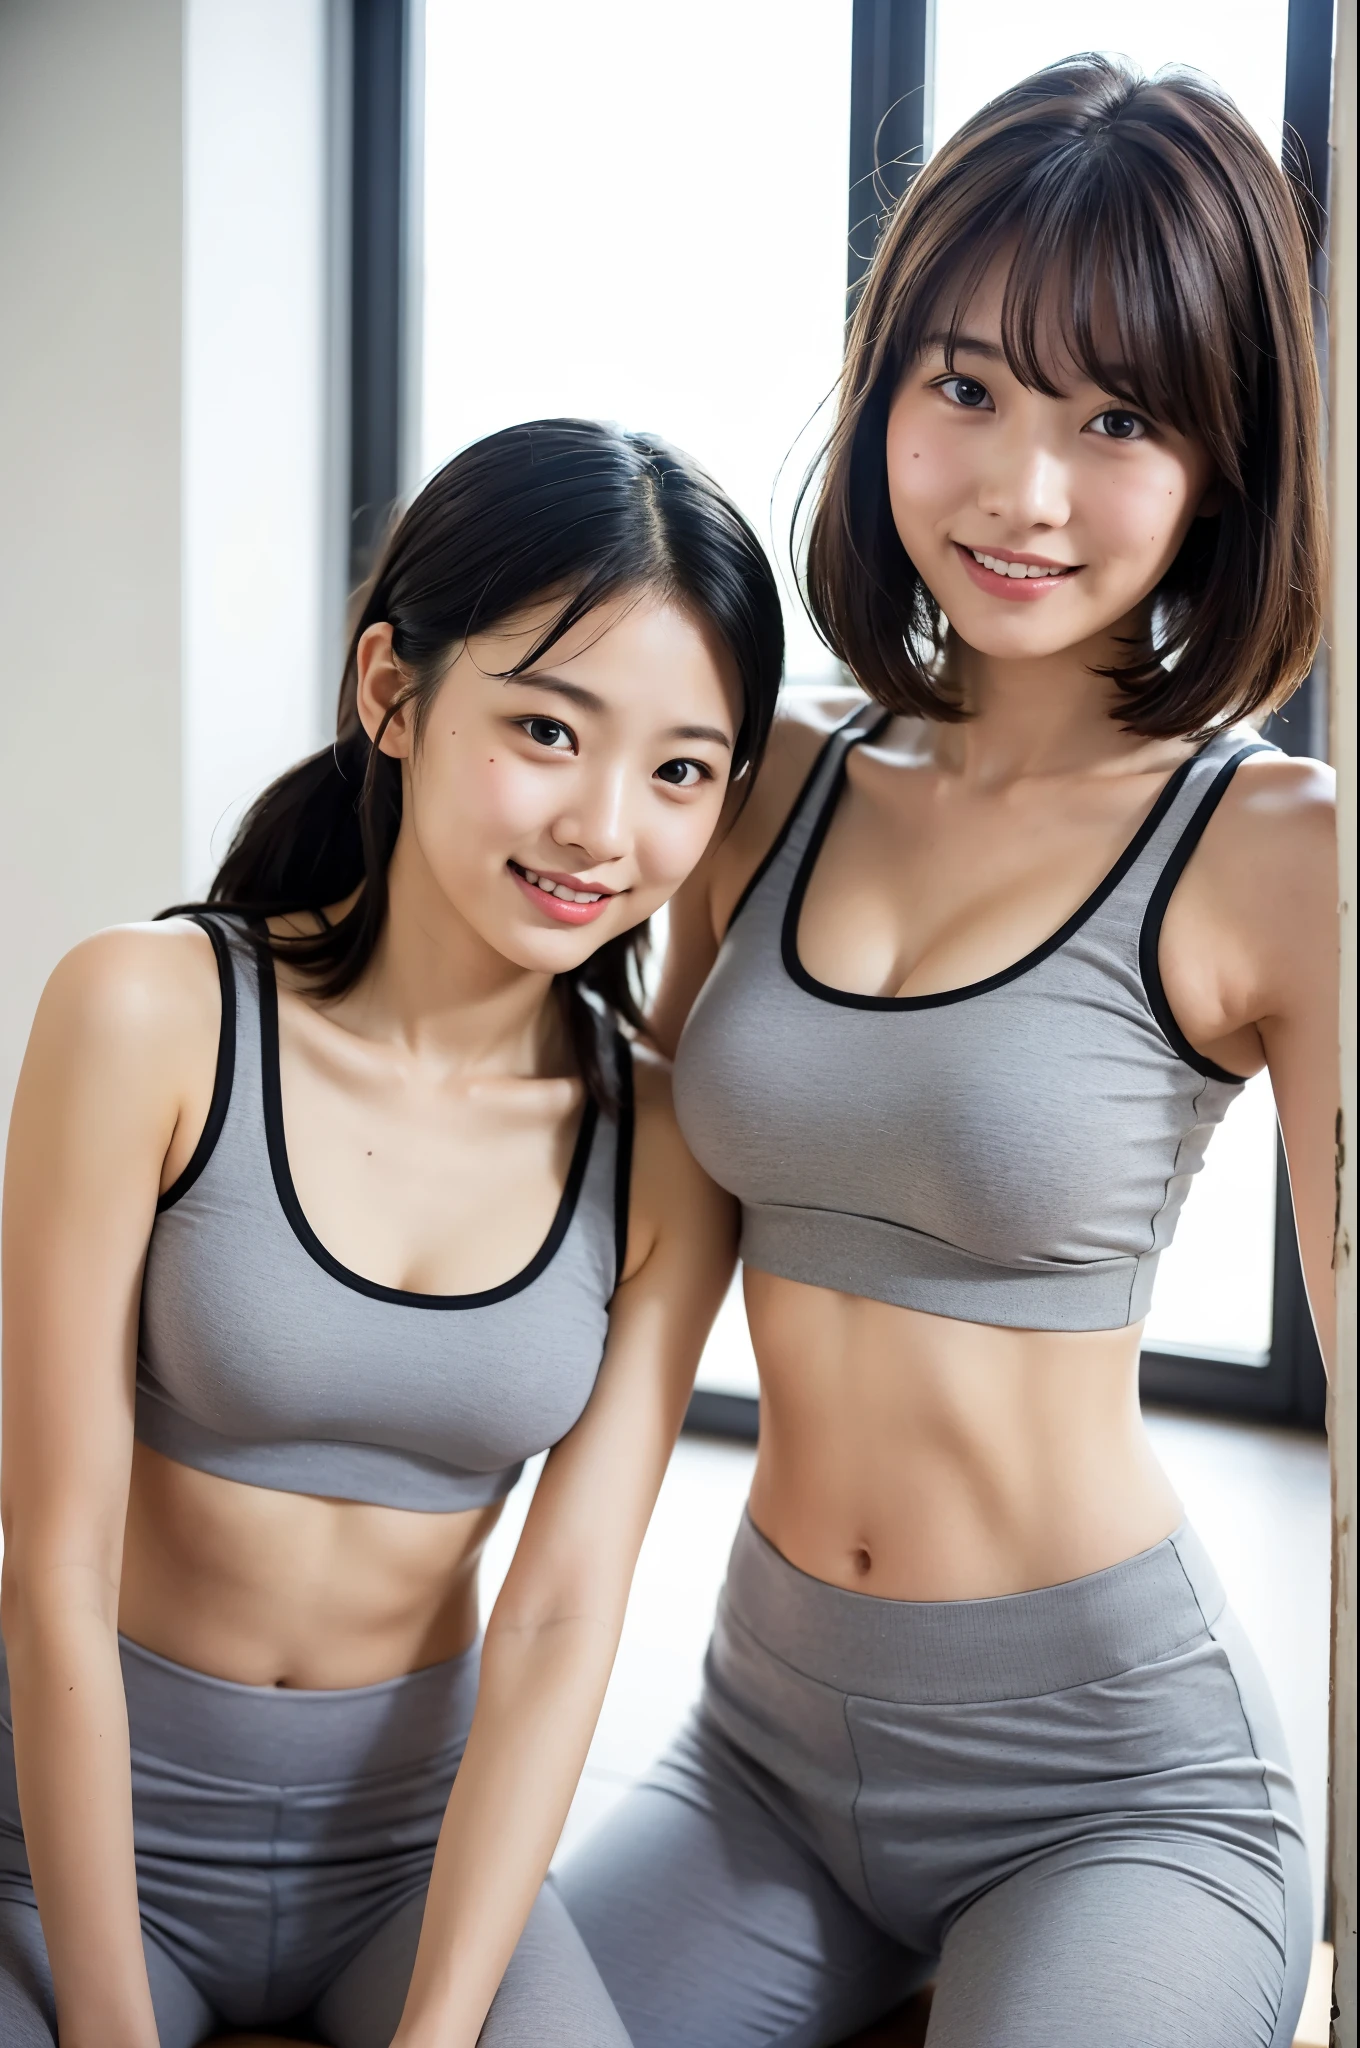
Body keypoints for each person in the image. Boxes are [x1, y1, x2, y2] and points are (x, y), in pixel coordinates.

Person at [559, 60, 1336, 2048]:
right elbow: (633, 1324)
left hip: (1116, 1790)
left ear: (1221, 467)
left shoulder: (1274, 856)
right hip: (756, 1747)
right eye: (966, 386)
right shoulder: (770, 784)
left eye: (1116, 418)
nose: (1021, 491)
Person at [0, 417, 784, 2047]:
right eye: (549, 729)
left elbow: (566, 1610)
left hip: (409, 1868)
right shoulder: (148, 1015)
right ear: (393, 695)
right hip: (63, 1846)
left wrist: (439, 2029)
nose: (602, 827)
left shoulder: (664, 1146)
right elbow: (49, 1561)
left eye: (680, 770)